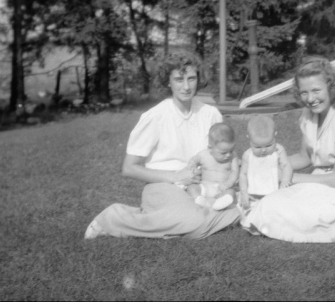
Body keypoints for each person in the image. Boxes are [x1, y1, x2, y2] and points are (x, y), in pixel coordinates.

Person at [84, 54, 240, 240]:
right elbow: (129, 168)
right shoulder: (156, 116)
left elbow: (225, 155)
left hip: (203, 187)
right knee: (196, 221)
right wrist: (175, 176)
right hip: (163, 185)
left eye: (191, 78)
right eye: (178, 79)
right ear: (168, 82)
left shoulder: (211, 114)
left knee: (200, 218)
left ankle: (174, 225)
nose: (186, 86)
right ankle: (113, 217)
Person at [241, 56, 335, 243]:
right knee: (270, 203)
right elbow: (305, 157)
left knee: (299, 209)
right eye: (304, 93)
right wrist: (268, 166)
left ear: (331, 87)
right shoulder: (308, 115)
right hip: (316, 180)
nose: (310, 99)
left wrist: (290, 178)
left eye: (316, 90)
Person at [238, 115, 292, 212]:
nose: (263, 150)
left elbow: (286, 165)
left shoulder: (278, 150)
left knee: (277, 211)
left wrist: (285, 180)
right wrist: (244, 193)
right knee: (249, 211)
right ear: (248, 138)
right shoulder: (248, 155)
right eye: (258, 147)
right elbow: (243, 174)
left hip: (274, 192)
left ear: (275, 135)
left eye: (268, 145)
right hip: (253, 193)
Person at [183, 123, 239, 211]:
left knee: (231, 193)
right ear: (210, 148)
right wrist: (192, 167)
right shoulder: (203, 155)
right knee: (192, 188)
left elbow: (235, 171)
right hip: (205, 186)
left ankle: (220, 203)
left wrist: (228, 184)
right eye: (223, 153)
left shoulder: (233, 157)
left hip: (222, 188)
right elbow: (193, 161)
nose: (228, 155)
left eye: (231, 151)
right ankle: (200, 200)